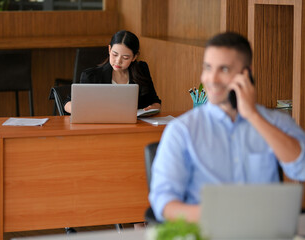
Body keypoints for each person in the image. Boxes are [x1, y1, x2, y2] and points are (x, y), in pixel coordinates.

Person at [149, 32, 305, 223]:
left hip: (264, 232)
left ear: (246, 73)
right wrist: (219, 218)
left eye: (223, 69)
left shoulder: (276, 122)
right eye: (208, 68)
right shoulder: (181, 130)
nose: (212, 79)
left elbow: (302, 168)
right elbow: (163, 204)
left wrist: (253, 116)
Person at [63, 30, 161, 113]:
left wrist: (152, 109)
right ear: (109, 49)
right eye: (115, 54)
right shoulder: (92, 76)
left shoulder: (141, 70)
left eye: (125, 57)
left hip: (134, 127)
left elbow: (155, 102)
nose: (118, 61)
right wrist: (83, 110)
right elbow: (68, 102)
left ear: (134, 57)